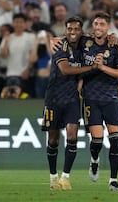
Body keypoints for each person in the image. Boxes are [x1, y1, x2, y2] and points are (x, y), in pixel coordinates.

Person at [43, 16, 98, 191]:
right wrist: (91, 68)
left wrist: (111, 37)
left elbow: (101, 38)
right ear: (65, 30)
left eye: (76, 29)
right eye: (69, 29)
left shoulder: (85, 46)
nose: (72, 32)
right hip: (53, 98)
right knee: (53, 140)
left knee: (72, 135)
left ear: (81, 30)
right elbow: (65, 70)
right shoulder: (60, 46)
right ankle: (53, 177)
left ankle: (65, 177)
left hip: (73, 98)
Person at [82, 12, 118, 192]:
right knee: (97, 140)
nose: (98, 27)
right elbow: (69, 38)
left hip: (111, 97)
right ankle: (94, 160)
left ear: (108, 27)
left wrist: (103, 67)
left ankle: (113, 180)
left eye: (102, 24)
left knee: (115, 140)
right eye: (96, 24)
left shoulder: (116, 46)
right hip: (91, 98)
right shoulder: (84, 42)